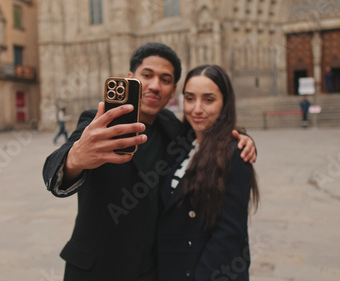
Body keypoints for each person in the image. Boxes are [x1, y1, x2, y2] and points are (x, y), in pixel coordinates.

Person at [42, 42, 257, 281]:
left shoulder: (172, 128)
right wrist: (75, 157)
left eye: (165, 80)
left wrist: (241, 139)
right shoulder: (98, 123)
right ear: (130, 77)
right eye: (147, 75)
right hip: (99, 270)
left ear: (173, 90)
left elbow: (208, 137)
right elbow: (54, 170)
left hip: (152, 271)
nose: (155, 86)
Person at [157, 65, 259, 281]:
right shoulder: (182, 145)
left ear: (224, 104)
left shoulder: (233, 154)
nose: (197, 109)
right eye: (190, 98)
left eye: (209, 99)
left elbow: (228, 237)